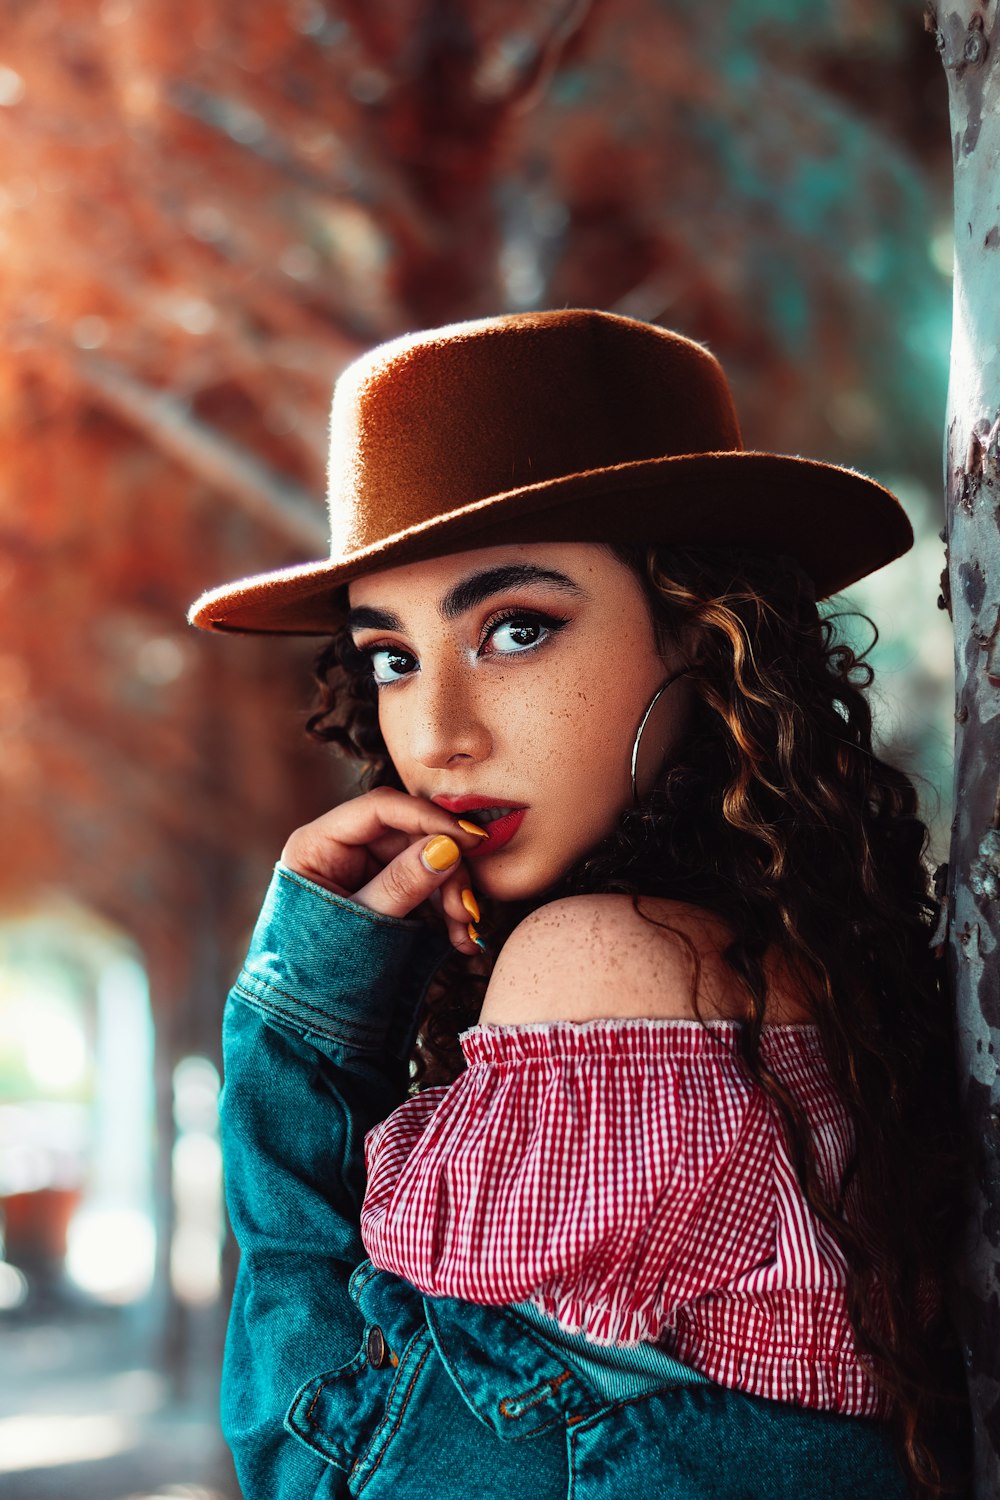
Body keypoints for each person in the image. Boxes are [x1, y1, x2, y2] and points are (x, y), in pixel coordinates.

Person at [188, 309, 970, 1500]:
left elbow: (311, 1462)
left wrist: (300, 1026)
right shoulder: (799, 965)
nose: (438, 734)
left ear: (702, 633)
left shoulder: (603, 964)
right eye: (392, 656)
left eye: (514, 629)